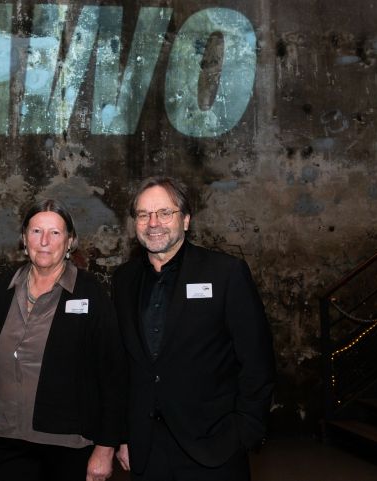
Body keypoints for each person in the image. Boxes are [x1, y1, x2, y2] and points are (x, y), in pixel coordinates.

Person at [112, 176, 275, 481]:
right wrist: (123, 435)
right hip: (146, 451)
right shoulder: (123, 280)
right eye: (144, 214)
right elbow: (123, 367)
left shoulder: (225, 273)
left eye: (164, 212)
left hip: (214, 448)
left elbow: (257, 361)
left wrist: (245, 432)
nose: (153, 223)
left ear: (185, 220)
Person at [0, 199, 126, 481]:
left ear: (70, 241)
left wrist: (106, 447)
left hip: (68, 445)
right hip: (5, 440)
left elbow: (113, 374)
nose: (44, 241)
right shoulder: (2, 287)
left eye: (55, 233)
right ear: (24, 239)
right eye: (36, 232)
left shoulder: (90, 293)